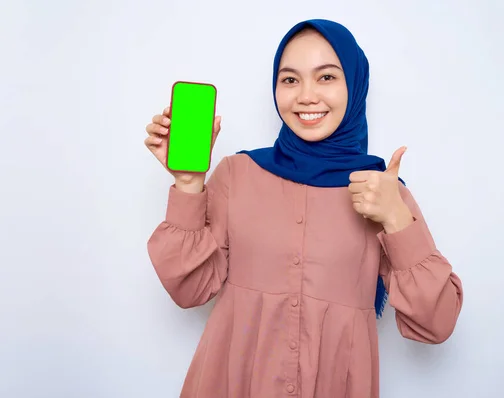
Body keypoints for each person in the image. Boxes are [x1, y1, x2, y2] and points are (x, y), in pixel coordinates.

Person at [144, 18, 463, 398]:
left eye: (326, 77)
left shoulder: (383, 192)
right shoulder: (238, 174)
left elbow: (436, 324)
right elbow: (190, 290)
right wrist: (187, 183)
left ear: (355, 85)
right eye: (290, 80)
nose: (306, 96)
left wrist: (396, 219)